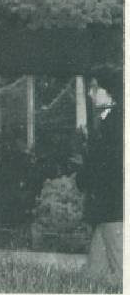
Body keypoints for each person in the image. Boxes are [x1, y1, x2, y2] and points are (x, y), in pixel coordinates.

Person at [76, 63, 122, 283]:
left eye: (95, 88)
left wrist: (85, 174)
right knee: (92, 277)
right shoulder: (109, 122)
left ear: (111, 90)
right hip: (106, 211)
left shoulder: (118, 125)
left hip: (115, 211)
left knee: (122, 273)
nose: (89, 93)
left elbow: (108, 167)